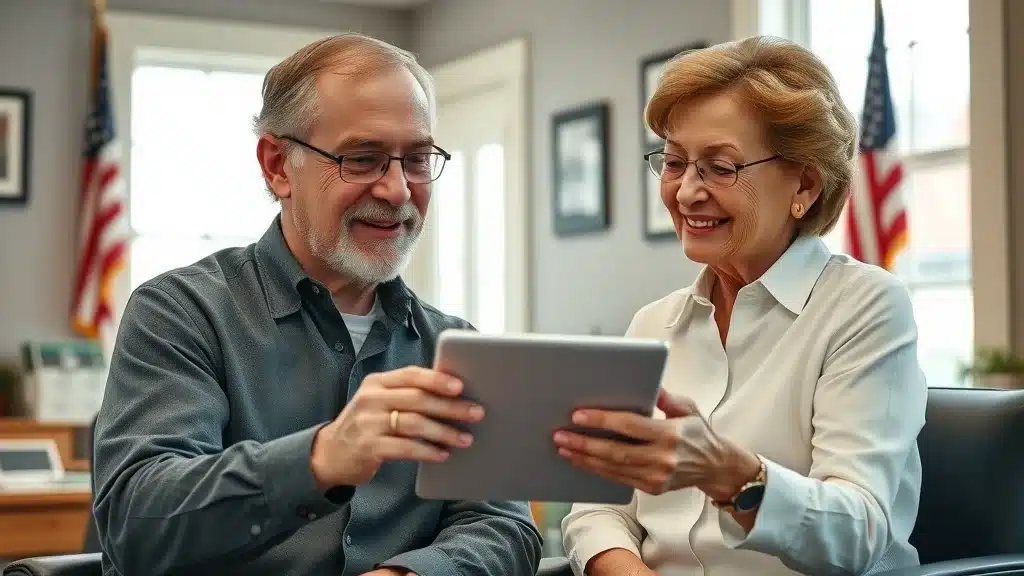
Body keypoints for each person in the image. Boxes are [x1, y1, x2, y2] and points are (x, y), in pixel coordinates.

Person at [92, 33, 542, 576]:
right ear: (278, 165)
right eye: (362, 159)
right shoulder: (180, 314)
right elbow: (136, 527)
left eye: (418, 160)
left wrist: (412, 574)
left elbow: (505, 527)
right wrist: (321, 459)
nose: (398, 190)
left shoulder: (454, 344)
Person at [557, 36, 927, 576]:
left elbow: (860, 533)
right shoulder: (653, 323)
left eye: (721, 167)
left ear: (804, 182)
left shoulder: (865, 307)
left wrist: (730, 475)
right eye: (675, 162)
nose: (685, 193)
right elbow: (597, 509)